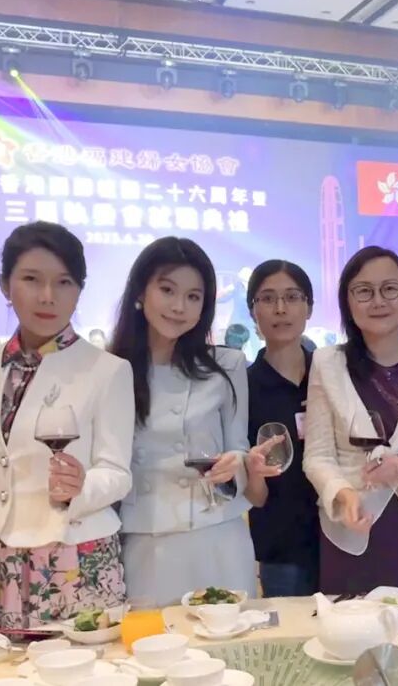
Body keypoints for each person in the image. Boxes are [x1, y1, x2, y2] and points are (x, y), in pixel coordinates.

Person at [0, 222, 134, 629]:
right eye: (31, 279)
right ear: (5, 285)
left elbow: (117, 472)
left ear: (79, 290)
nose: (47, 296)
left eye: (64, 282)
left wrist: (80, 487)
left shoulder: (107, 369)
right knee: (0, 662)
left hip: (72, 554)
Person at [113, 237, 271, 605]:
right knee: (152, 640)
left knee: (231, 637)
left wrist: (237, 463)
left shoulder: (227, 365)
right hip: (147, 539)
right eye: (167, 290)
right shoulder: (113, 370)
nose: (179, 306)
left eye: (193, 296)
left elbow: (238, 447)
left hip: (219, 535)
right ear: (141, 292)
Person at [303, 246, 398, 594]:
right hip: (352, 526)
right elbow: (317, 455)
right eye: (364, 291)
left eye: (390, 288)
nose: (378, 301)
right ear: (347, 302)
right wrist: (342, 493)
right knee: (351, 621)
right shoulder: (327, 363)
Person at [243, 260, 320, 597]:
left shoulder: (331, 375)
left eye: (292, 297)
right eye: (267, 298)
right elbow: (252, 493)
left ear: (309, 307)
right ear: (253, 310)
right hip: (281, 550)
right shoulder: (243, 387)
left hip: (343, 539)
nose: (280, 309)